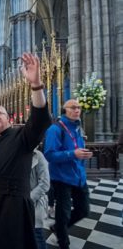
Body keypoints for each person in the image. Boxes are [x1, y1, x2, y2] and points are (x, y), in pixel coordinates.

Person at [0, 53, 51, 249]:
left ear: (8, 117)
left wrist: (36, 85)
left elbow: (40, 121)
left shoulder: (21, 137)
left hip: (14, 210)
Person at [44, 99, 92, 249]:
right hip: (61, 178)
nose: (77, 110)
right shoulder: (55, 129)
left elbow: (77, 148)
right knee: (63, 214)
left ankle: (58, 227)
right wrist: (73, 153)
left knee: (84, 210)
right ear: (65, 110)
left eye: (78, 107)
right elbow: (50, 155)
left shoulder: (77, 127)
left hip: (79, 177)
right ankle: (63, 242)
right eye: (73, 107)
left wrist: (82, 155)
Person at [30, 149, 50, 249]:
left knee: (37, 236)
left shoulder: (38, 156)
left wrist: (29, 199)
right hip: (16, 206)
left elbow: (45, 184)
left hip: (34, 204)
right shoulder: (13, 153)